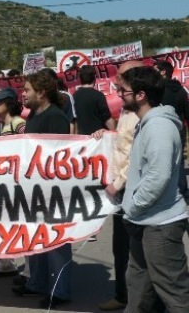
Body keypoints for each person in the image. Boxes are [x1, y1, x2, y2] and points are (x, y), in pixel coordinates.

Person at [119, 66, 189, 312]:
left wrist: (134, 206)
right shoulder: (146, 123)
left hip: (160, 224)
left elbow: (158, 177)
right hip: (144, 220)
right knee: (139, 290)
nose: (119, 94)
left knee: (175, 294)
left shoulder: (158, 127)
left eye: (123, 91)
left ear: (141, 95)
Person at [12, 71, 71, 309]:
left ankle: (61, 290)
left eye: (26, 90)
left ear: (42, 92)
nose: (23, 94)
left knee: (56, 243)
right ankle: (36, 282)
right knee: (34, 238)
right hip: (32, 189)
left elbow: (58, 157)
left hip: (51, 191)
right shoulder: (36, 113)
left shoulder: (56, 117)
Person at [94, 60, 143, 311]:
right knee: (120, 248)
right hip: (121, 190)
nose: (117, 83)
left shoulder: (145, 112)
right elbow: (122, 143)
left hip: (132, 190)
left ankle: (141, 302)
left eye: (122, 78)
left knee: (137, 252)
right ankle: (122, 296)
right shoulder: (126, 109)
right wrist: (105, 136)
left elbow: (137, 154)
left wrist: (119, 182)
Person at [0, 87, 26, 280]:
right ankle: (5, 263)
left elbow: (28, 146)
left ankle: (26, 268)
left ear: (9, 103)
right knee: (5, 222)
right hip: (7, 181)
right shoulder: (6, 124)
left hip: (16, 182)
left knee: (17, 222)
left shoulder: (18, 123)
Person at [153, 60, 189, 200]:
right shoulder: (180, 90)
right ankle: (183, 193)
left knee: (160, 163)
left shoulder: (156, 90)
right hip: (177, 131)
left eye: (155, 69)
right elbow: (187, 112)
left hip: (159, 130)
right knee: (178, 163)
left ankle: (164, 194)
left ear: (163, 72)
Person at [73, 65, 116, 135]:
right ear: (94, 78)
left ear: (80, 79)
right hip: (98, 139)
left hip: (82, 140)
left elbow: (74, 122)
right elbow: (107, 120)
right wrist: (116, 133)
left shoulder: (74, 96)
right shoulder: (98, 96)